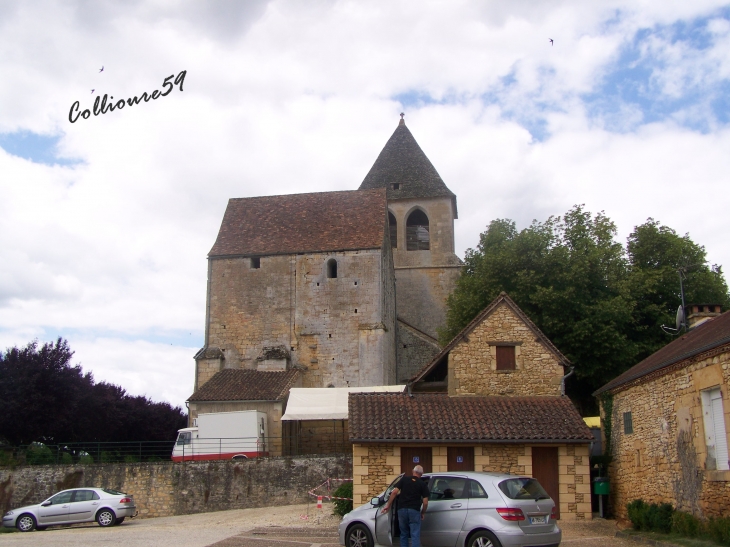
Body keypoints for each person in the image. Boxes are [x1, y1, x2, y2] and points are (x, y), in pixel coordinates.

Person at [382, 465, 430, 547]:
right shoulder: (422, 484)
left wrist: (388, 505)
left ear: (412, 471)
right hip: (414, 510)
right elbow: (425, 502)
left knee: (403, 534)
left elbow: (394, 492)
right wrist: (422, 513)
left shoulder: (404, 480)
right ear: (421, 474)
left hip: (402, 510)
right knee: (415, 535)